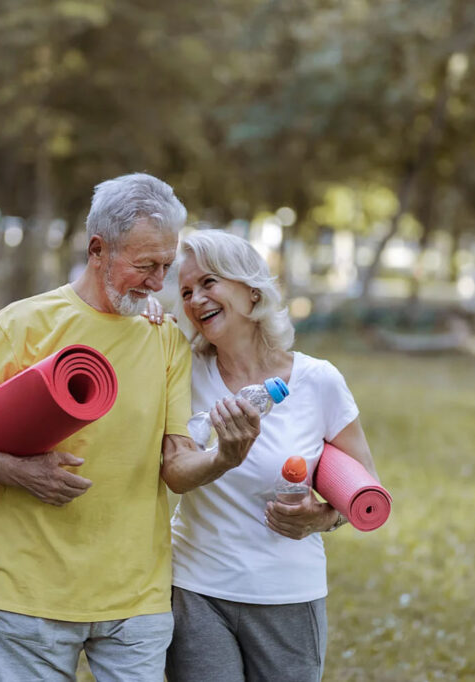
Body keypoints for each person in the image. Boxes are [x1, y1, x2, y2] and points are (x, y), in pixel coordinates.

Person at [0, 174, 260, 682]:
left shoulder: (166, 341)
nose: (159, 283)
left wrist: (224, 456)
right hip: (30, 595)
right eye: (145, 266)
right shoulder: (22, 324)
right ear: (98, 249)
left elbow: (176, 467)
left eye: (166, 266)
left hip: (136, 602)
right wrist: (19, 472)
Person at [152, 229, 381, 682]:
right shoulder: (182, 369)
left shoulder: (319, 381)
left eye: (209, 282)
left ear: (250, 288)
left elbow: (363, 489)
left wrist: (319, 518)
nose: (196, 299)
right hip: (198, 590)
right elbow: (173, 471)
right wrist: (224, 456)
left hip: (288, 595)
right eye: (185, 291)